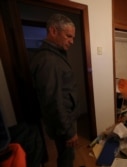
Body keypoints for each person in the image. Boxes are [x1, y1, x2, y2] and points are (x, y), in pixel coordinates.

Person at [30, 13, 81, 167]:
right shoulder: (48, 60)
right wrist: (69, 132)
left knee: (67, 154)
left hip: (66, 119)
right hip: (63, 123)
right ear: (53, 31)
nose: (72, 41)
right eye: (68, 36)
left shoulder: (55, 55)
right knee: (66, 157)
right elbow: (53, 100)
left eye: (73, 37)